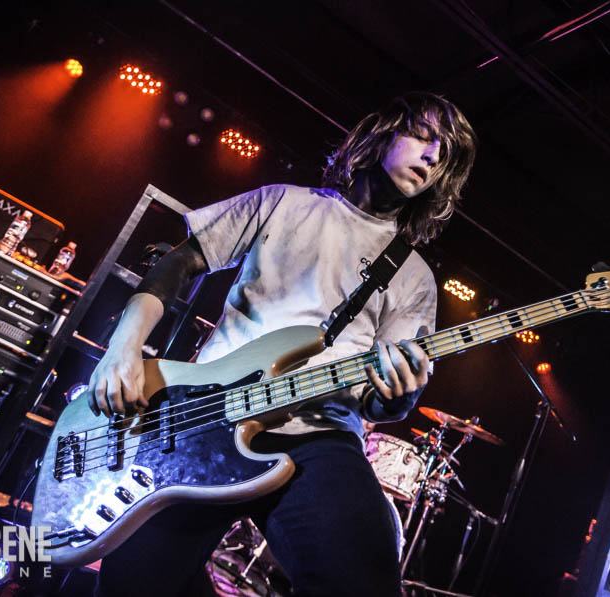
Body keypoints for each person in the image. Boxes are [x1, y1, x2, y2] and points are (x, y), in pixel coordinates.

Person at [88, 91, 477, 596]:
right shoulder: (282, 202)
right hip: (206, 415)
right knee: (131, 584)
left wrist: (400, 394)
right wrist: (124, 345)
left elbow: (379, 403)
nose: (432, 156)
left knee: (363, 581)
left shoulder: (415, 277)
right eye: (424, 136)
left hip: (318, 437)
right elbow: (179, 262)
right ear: (383, 133)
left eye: (445, 154)